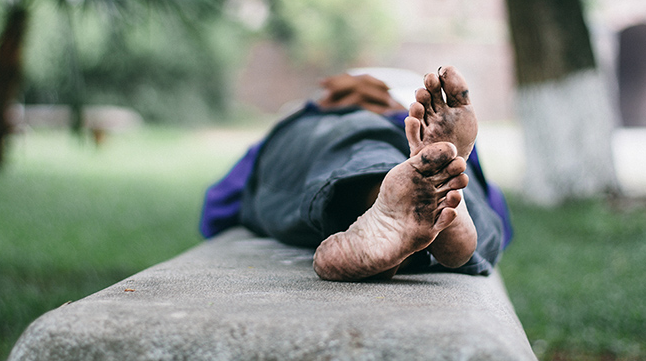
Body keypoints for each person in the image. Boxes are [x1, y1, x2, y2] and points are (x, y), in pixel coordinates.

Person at [200, 66, 512, 281]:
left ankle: (389, 208)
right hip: (380, 134)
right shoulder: (403, 121)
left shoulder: (308, 122)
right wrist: (384, 111)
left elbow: (217, 207)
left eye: (375, 97)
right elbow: (501, 220)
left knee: (359, 142)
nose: (363, 97)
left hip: (323, 138)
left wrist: (318, 111)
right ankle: (422, 208)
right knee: (446, 171)